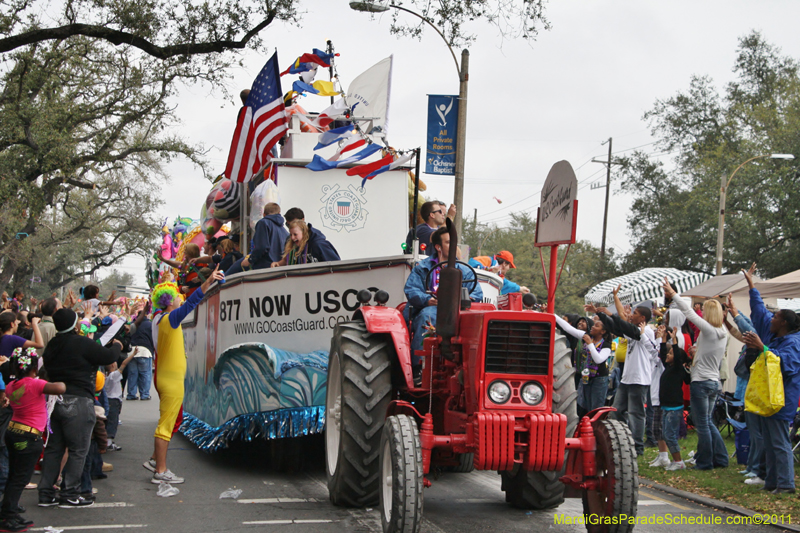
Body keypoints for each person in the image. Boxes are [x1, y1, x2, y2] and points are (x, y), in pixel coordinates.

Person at [146, 266, 224, 484]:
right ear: (170, 301)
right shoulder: (170, 318)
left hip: (167, 378)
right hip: (171, 381)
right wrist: (208, 281)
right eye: (177, 297)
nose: (181, 299)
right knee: (165, 425)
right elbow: (192, 302)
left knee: (168, 422)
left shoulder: (162, 319)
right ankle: (160, 471)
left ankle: (156, 462)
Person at [38, 307, 122, 508]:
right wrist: (117, 346)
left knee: (53, 449)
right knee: (78, 450)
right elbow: (107, 357)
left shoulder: (52, 346)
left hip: (55, 402)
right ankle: (69, 494)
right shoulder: (81, 343)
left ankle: (46, 493)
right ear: (73, 324)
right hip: (78, 400)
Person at [740, 265, 800, 494]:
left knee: (779, 442)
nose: (771, 318)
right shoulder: (774, 334)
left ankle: (786, 484)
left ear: (783, 322)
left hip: (781, 400)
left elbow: (786, 365)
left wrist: (762, 348)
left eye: (775, 316)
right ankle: (772, 481)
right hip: (768, 398)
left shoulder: (793, 343)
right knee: (770, 442)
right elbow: (759, 312)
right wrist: (751, 286)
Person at [662, 277, 729, 470]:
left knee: (702, 425)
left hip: (701, 382)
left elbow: (689, 313)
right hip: (714, 381)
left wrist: (674, 294)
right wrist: (696, 353)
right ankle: (721, 458)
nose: (702, 314)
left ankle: (705, 461)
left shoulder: (709, 330)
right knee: (708, 422)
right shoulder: (722, 331)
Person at [403, 226, 483, 378]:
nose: (454, 246)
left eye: (454, 242)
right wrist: (428, 300)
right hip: (432, 309)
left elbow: (477, 293)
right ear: (438, 247)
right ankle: (419, 368)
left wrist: (462, 301)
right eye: (448, 242)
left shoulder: (465, 270)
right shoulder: (423, 268)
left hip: (458, 311)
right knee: (428, 316)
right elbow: (411, 290)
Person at [589, 285, 658, 456]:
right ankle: (619, 441)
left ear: (642, 317)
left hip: (639, 379)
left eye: (634, 314)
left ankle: (637, 447)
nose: (631, 315)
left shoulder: (646, 331)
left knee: (636, 414)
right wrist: (603, 314)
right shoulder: (634, 331)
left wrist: (611, 313)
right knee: (616, 411)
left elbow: (626, 326)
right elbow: (617, 328)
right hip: (627, 379)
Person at [0, 348, 63, 531]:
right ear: (34, 368)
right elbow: (60, 387)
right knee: (20, 477)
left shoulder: (12, 385)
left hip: (14, 432)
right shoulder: (34, 384)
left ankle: (7, 510)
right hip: (28, 436)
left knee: (14, 475)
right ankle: (8, 517)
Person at [723, 292, 764, 485]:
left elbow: (746, 326)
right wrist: (729, 318)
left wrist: (735, 313)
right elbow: (739, 331)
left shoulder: (762, 338)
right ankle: (751, 466)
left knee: (756, 433)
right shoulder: (753, 339)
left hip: (755, 391)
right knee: (752, 430)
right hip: (747, 389)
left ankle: (756, 467)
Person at [553, 313, 612, 415]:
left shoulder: (606, 345)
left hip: (599, 379)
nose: (592, 327)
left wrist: (589, 344)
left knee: (595, 408)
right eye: (593, 325)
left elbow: (598, 360)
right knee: (583, 405)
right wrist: (552, 314)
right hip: (585, 377)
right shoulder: (587, 336)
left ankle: (594, 428)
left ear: (602, 332)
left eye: (596, 326)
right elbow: (567, 328)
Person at [652, 326, 692, 471]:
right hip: (666, 407)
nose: (667, 355)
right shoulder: (668, 367)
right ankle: (676, 460)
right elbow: (662, 354)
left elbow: (676, 353)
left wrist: (674, 340)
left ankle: (678, 461)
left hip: (674, 408)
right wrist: (663, 339)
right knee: (666, 433)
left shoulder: (677, 369)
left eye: (670, 353)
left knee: (670, 435)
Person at [226, 203, 288, 276]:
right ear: (279, 213)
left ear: (264, 214)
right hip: (278, 268)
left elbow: (262, 247)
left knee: (230, 273)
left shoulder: (263, 223)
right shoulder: (285, 231)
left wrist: (250, 260)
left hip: (264, 266)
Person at [104, 350, 136, 451]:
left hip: (108, 400)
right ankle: (108, 443)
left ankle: (106, 441)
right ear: (113, 365)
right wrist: (133, 354)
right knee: (113, 422)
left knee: (108, 421)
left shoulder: (105, 377)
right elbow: (124, 364)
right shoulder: (114, 376)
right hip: (114, 401)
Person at [127, 302, 155, 401]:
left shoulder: (133, 325)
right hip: (145, 352)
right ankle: (145, 395)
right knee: (145, 374)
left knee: (133, 374)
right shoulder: (150, 325)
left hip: (132, 352)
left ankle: (131, 394)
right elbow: (154, 339)